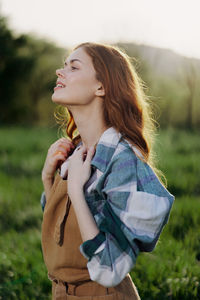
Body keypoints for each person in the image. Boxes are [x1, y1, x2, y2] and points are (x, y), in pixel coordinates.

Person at [40, 42, 175, 300]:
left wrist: (77, 193)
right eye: (63, 65)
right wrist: (49, 179)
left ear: (100, 87)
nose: (60, 71)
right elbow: (60, 236)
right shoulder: (75, 152)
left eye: (73, 66)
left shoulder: (122, 161)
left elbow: (110, 268)